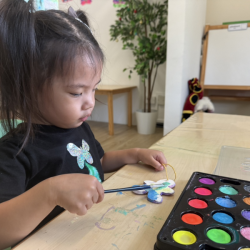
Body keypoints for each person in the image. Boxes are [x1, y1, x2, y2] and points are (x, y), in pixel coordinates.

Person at [0, 0, 167, 249]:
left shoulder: (77, 128)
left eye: (94, 88)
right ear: (29, 89)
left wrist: (134, 154)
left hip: (91, 232)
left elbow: (95, 162)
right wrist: (50, 193)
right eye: (77, 93)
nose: (90, 102)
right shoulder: (13, 153)